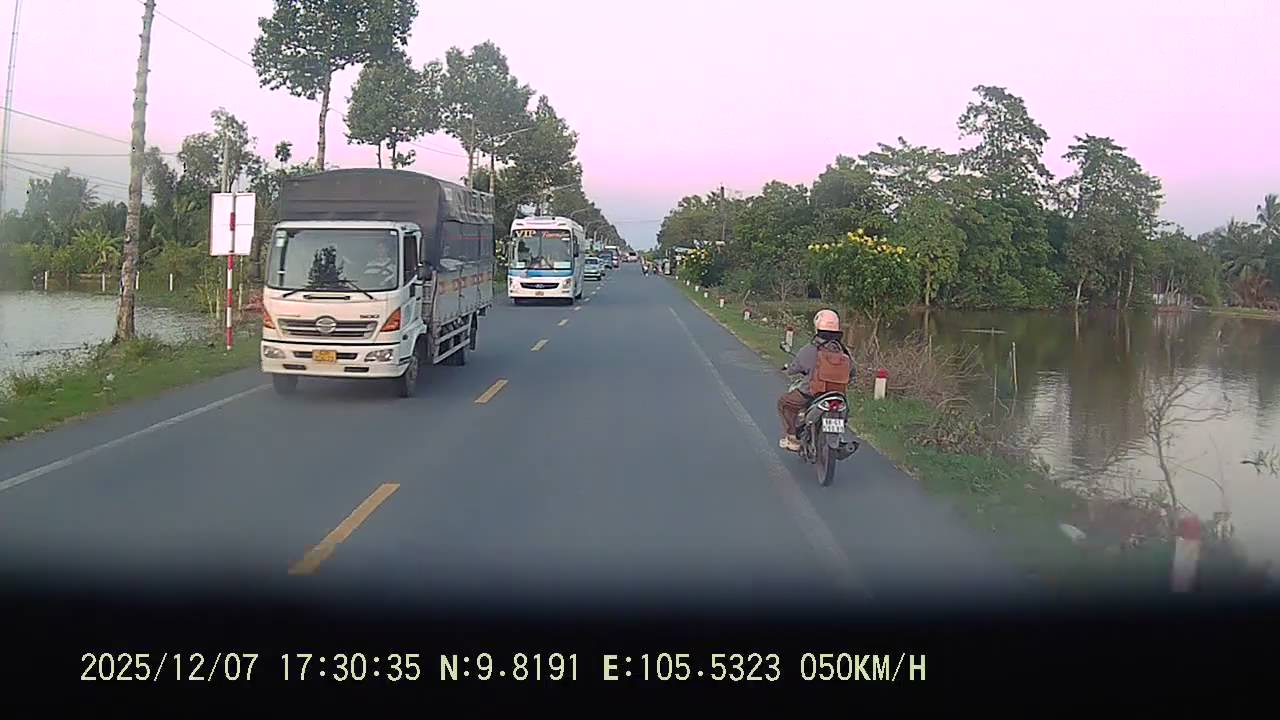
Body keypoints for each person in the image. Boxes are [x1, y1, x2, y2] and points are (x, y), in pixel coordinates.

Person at [777, 309, 853, 451]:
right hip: (838, 395)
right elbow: (852, 372)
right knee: (845, 411)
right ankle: (838, 436)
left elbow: (795, 368)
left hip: (812, 393)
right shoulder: (843, 350)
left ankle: (792, 438)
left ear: (817, 326)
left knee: (785, 403)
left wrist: (789, 369)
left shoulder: (812, 348)